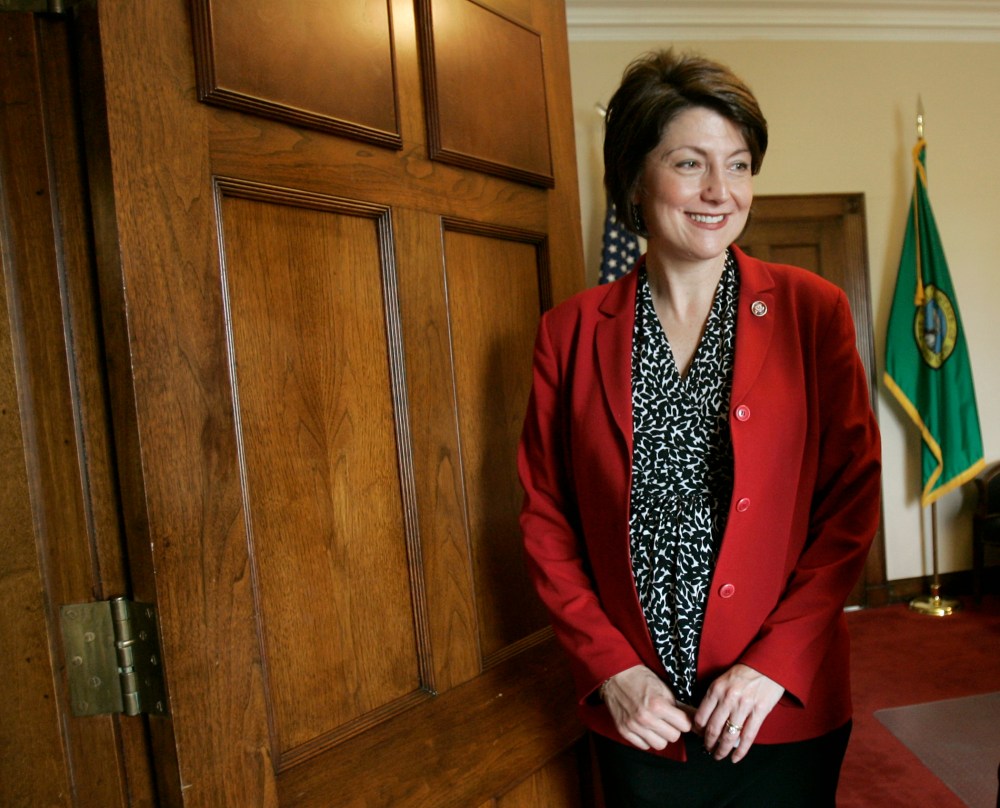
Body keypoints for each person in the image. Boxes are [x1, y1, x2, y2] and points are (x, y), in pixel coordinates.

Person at [517, 49, 881, 807]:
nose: (721, 191)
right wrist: (611, 669)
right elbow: (547, 519)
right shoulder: (570, 332)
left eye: (738, 165)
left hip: (778, 706)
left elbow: (850, 505)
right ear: (634, 179)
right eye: (690, 164)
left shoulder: (812, 311)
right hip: (641, 716)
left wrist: (773, 664)